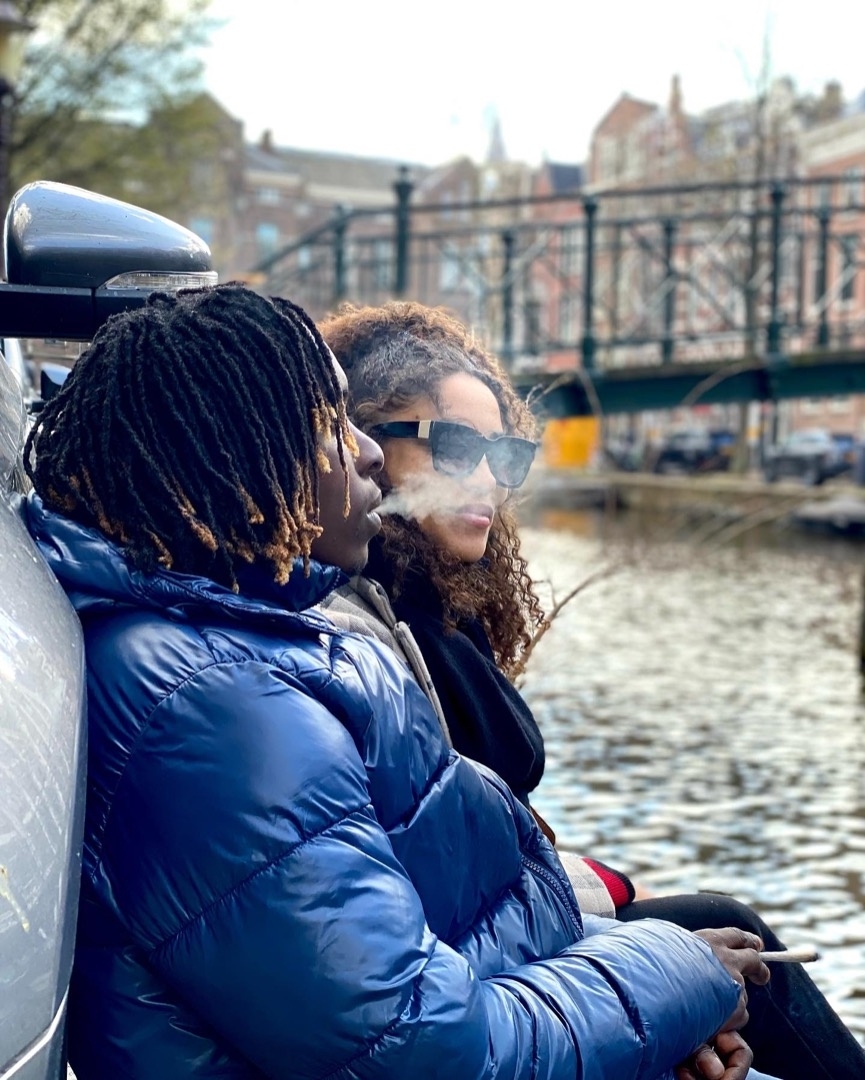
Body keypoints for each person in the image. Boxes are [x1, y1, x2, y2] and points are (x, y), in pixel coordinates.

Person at [20, 283, 776, 1080]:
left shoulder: (239, 647)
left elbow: (435, 950)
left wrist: (655, 978)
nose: (367, 453)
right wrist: (680, 975)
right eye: (329, 425)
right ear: (225, 453)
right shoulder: (213, 710)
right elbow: (426, 1051)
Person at [318, 299, 865, 1080]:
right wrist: (644, 948)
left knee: (726, 942)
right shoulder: (365, 626)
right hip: (472, 976)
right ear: (366, 444)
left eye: (504, 455)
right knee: (725, 934)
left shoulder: (438, 612)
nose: (486, 479)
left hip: (494, 947)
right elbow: (431, 890)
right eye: (457, 447)